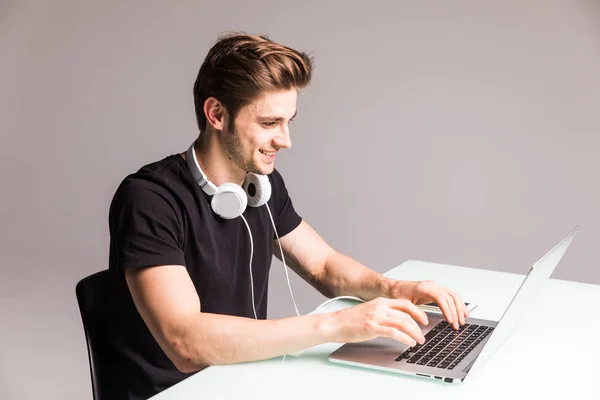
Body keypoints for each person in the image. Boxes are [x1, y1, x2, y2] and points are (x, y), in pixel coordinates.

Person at [106, 32, 469, 400]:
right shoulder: (149, 199)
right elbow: (185, 341)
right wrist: (334, 325)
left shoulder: (260, 183)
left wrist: (395, 289)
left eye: (289, 121)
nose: (285, 140)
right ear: (216, 114)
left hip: (242, 380)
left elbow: (324, 266)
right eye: (269, 123)